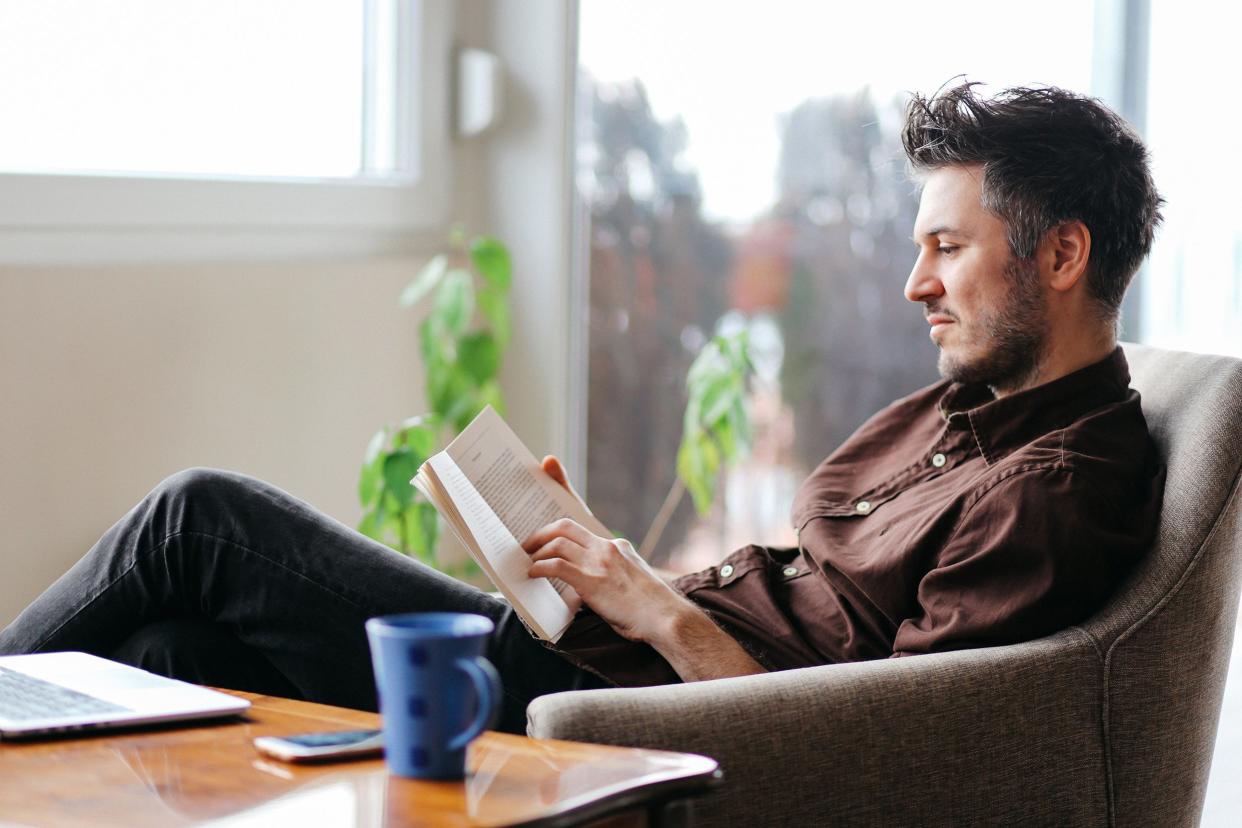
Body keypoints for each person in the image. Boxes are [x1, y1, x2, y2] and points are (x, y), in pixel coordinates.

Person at [0, 81, 1166, 734]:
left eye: (948, 248)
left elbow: (870, 745)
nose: (915, 284)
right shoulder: (976, 407)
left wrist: (655, 613)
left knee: (201, 521)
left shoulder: (1056, 491)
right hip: (612, 656)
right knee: (170, 652)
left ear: (1062, 256)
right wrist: (603, 568)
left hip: (631, 715)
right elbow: (804, 607)